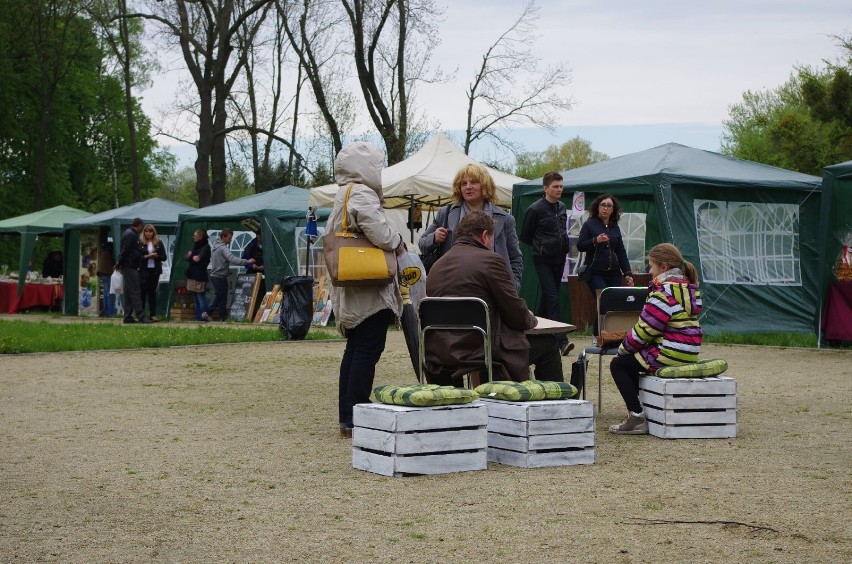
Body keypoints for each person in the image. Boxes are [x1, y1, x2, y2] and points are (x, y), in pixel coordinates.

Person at [425, 211, 564, 385]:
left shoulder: (437, 266)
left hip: (440, 351)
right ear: (485, 236)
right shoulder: (491, 261)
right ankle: (556, 405)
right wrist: (531, 319)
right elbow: (515, 313)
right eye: (492, 239)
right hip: (481, 349)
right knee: (548, 343)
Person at [330, 141, 406, 439]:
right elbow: (379, 233)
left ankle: (347, 416)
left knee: (355, 349)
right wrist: (397, 239)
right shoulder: (362, 193)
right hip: (368, 288)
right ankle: (357, 412)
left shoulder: (343, 193)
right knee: (367, 349)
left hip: (354, 285)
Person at [609, 243, 702, 435]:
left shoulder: (663, 293)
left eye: (651, 266)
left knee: (619, 364)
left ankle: (636, 416)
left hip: (670, 352)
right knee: (633, 361)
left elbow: (644, 331)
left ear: (664, 267)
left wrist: (623, 348)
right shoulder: (688, 290)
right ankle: (644, 410)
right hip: (690, 351)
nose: (650, 271)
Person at [418, 163, 523, 289]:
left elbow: (515, 258)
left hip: (494, 285)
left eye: (473, 182)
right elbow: (422, 244)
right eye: (463, 183)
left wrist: (514, 285)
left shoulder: (506, 219)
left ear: (484, 185)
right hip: (454, 284)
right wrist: (434, 238)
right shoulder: (445, 213)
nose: (468, 187)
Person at [519, 171, 572, 356]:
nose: (559, 190)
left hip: (560, 257)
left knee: (547, 299)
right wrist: (541, 246)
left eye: (561, 186)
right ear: (545, 188)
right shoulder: (535, 209)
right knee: (553, 298)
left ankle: (536, 332)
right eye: (555, 186)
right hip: (543, 259)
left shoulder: (562, 206)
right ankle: (562, 340)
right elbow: (524, 235)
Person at [576, 193, 635, 338]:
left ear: (613, 210)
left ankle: (610, 335)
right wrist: (595, 240)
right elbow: (580, 245)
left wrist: (628, 274)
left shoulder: (615, 227)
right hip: (595, 271)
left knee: (612, 304)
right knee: (602, 301)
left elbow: (621, 252)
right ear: (597, 207)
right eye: (603, 205)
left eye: (609, 206)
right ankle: (598, 336)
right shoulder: (589, 224)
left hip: (614, 272)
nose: (605, 208)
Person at [201, 228, 254, 322]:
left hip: (215, 276)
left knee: (219, 296)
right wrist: (247, 261)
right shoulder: (223, 248)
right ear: (223, 237)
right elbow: (233, 259)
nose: (230, 240)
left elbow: (219, 261)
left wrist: (225, 270)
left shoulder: (215, 246)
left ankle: (207, 313)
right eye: (229, 238)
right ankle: (223, 317)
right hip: (220, 277)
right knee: (222, 298)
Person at [115, 217, 150, 324]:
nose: (142, 229)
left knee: (129, 292)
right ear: (139, 225)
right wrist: (119, 263)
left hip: (127, 265)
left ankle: (128, 316)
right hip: (130, 266)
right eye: (142, 227)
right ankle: (140, 316)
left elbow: (131, 249)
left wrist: (119, 262)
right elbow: (126, 250)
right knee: (135, 290)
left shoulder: (128, 233)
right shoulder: (131, 234)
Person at [139, 224, 167, 322]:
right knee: (142, 292)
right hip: (143, 270)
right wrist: (146, 256)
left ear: (153, 232)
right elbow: (137, 257)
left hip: (155, 271)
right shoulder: (140, 242)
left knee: (152, 293)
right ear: (144, 233)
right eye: (146, 232)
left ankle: (153, 314)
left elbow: (164, 257)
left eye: (150, 232)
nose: (148, 234)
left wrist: (156, 256)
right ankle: (141, 315)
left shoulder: (159, 242)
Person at [185, 229, 211, 322]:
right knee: (195, 296)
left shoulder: (206, 247)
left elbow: (198, 258)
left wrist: (191, 256)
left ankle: (204, 315)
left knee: (200, 295)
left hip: (200, 274)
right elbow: (187, 256)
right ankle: (198, 317)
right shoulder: (195, 246)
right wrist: (192, 257)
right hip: (192, 274)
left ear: (200, 236)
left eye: (195, 235)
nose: (193, 237)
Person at [97, 242, 116, 317]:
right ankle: (110, 313)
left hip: (102, 274)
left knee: (105, 294)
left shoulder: (103, 252)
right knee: (110, 294)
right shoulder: (109, 253)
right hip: (108, 274)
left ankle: (106, 312)